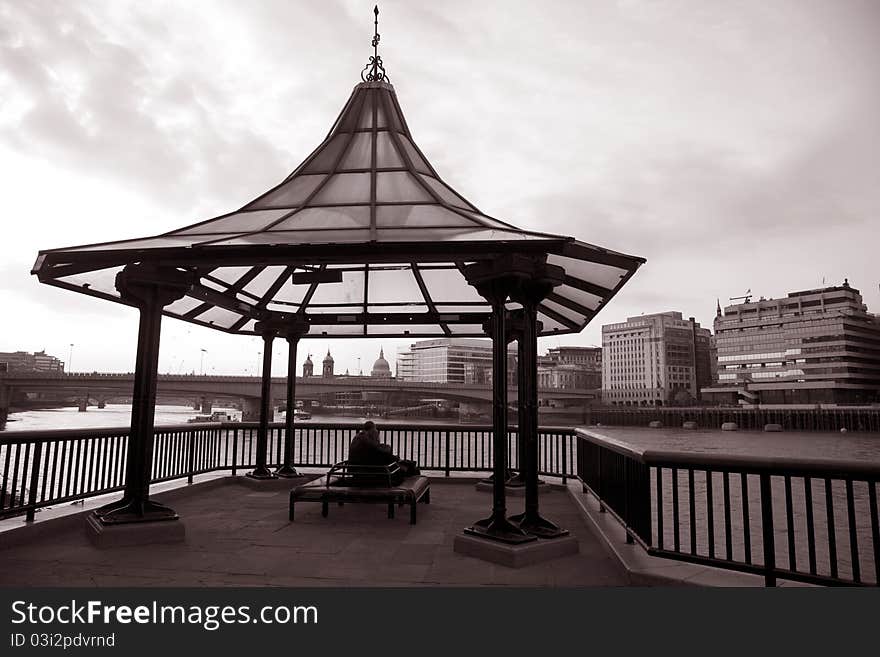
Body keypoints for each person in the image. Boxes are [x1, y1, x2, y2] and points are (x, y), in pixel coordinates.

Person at [348, 421, 419, 481]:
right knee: (412, 471)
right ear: (372, 429)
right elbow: (382, 453)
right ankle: (407, 465)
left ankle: (405, 464)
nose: (377, 432)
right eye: (376, 430)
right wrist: (378, 439)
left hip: (362, 471)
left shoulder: (359, 438)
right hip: (368, 473)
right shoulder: (366, 439)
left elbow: (377, 452)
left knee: (397, 463)